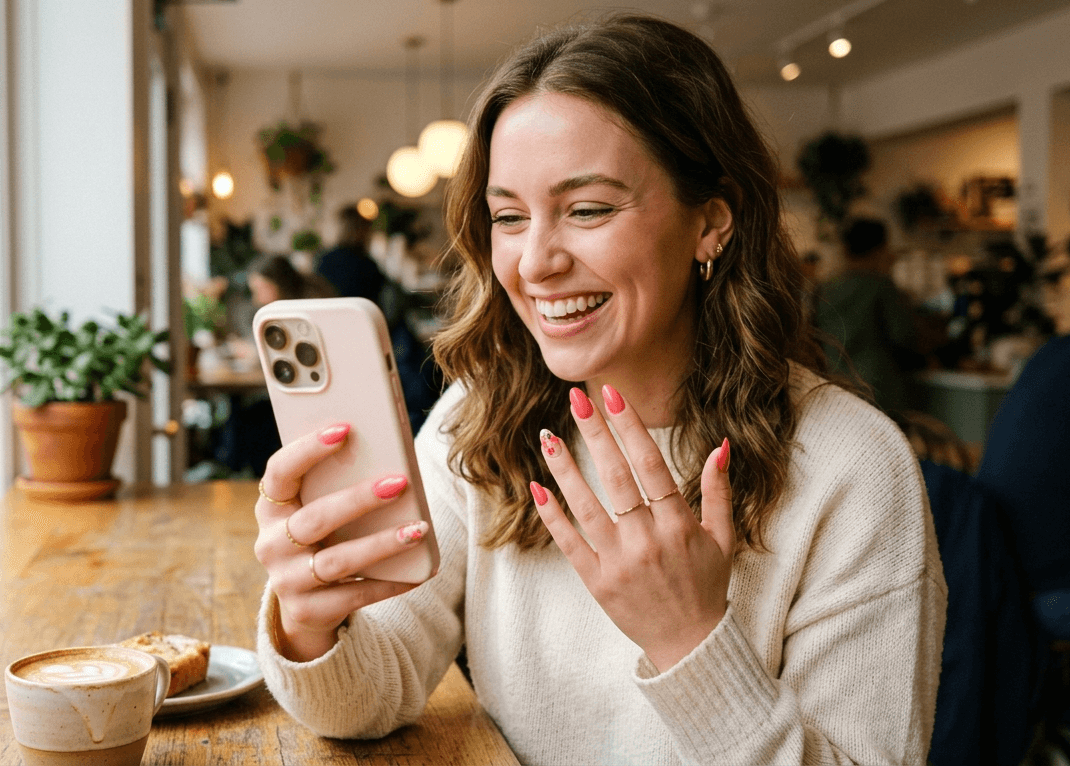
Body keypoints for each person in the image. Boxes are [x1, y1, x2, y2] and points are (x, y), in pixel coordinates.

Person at [251, 14, 945, 764]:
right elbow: (368, 698)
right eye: (508, 217)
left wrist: (689, 640)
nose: (535, 262)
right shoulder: (482, 416)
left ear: (710, 222)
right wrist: (309, 626)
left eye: (588, 209)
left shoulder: (853, 467)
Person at [815, 217, 920, 415]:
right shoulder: (881, 287)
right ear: (881, 249)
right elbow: (903, 337)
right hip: (877, 391)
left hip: (833, 388)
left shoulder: (825, 288)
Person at [316, 204, 387, 305]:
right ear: (361, 230)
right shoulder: (367, 264)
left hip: (328, 316)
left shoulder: (323, 259)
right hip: (359, 317)